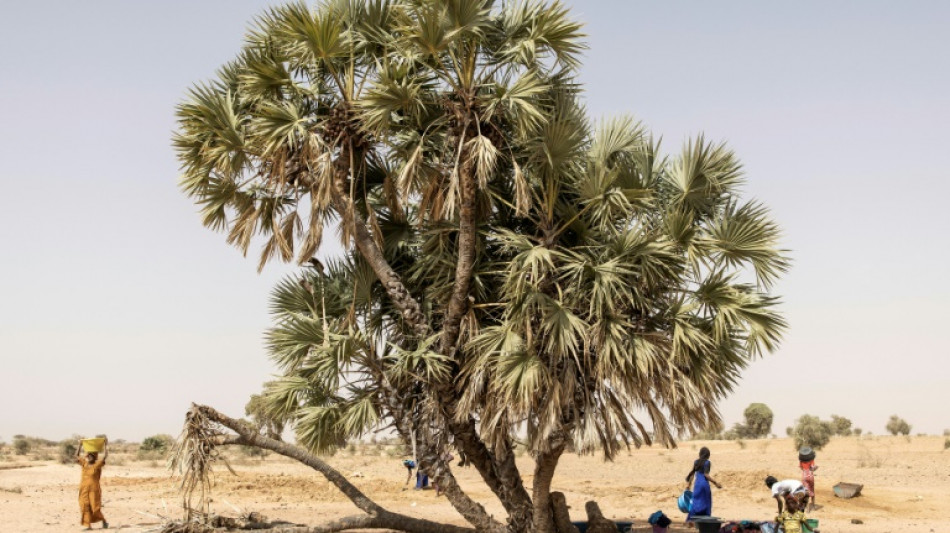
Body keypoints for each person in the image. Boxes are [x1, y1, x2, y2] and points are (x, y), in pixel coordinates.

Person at [76, 438, 109, 530]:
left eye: (90, 456)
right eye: (88, 456)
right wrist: (80, 445)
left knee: (95, 507)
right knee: (84, 506)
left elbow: (105, 456)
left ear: (94, 457)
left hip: (94, 490)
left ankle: (104, 521)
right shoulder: (84, 464)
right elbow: (76, 456)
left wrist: (105, 445)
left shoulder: (97, 465)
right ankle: (88, 526)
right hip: (83, 489)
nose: (88, 457)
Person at [685, 447, 722, 523]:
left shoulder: (696, 462)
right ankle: (705, 520)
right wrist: (715, 483)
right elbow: (706, 475)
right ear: (708, 455)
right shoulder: (707, 463)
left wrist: (688, 484)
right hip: (704, 484)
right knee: (706, 501)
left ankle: (690, 520)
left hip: (697, 484)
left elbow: (692, 473)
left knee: (695, 501)